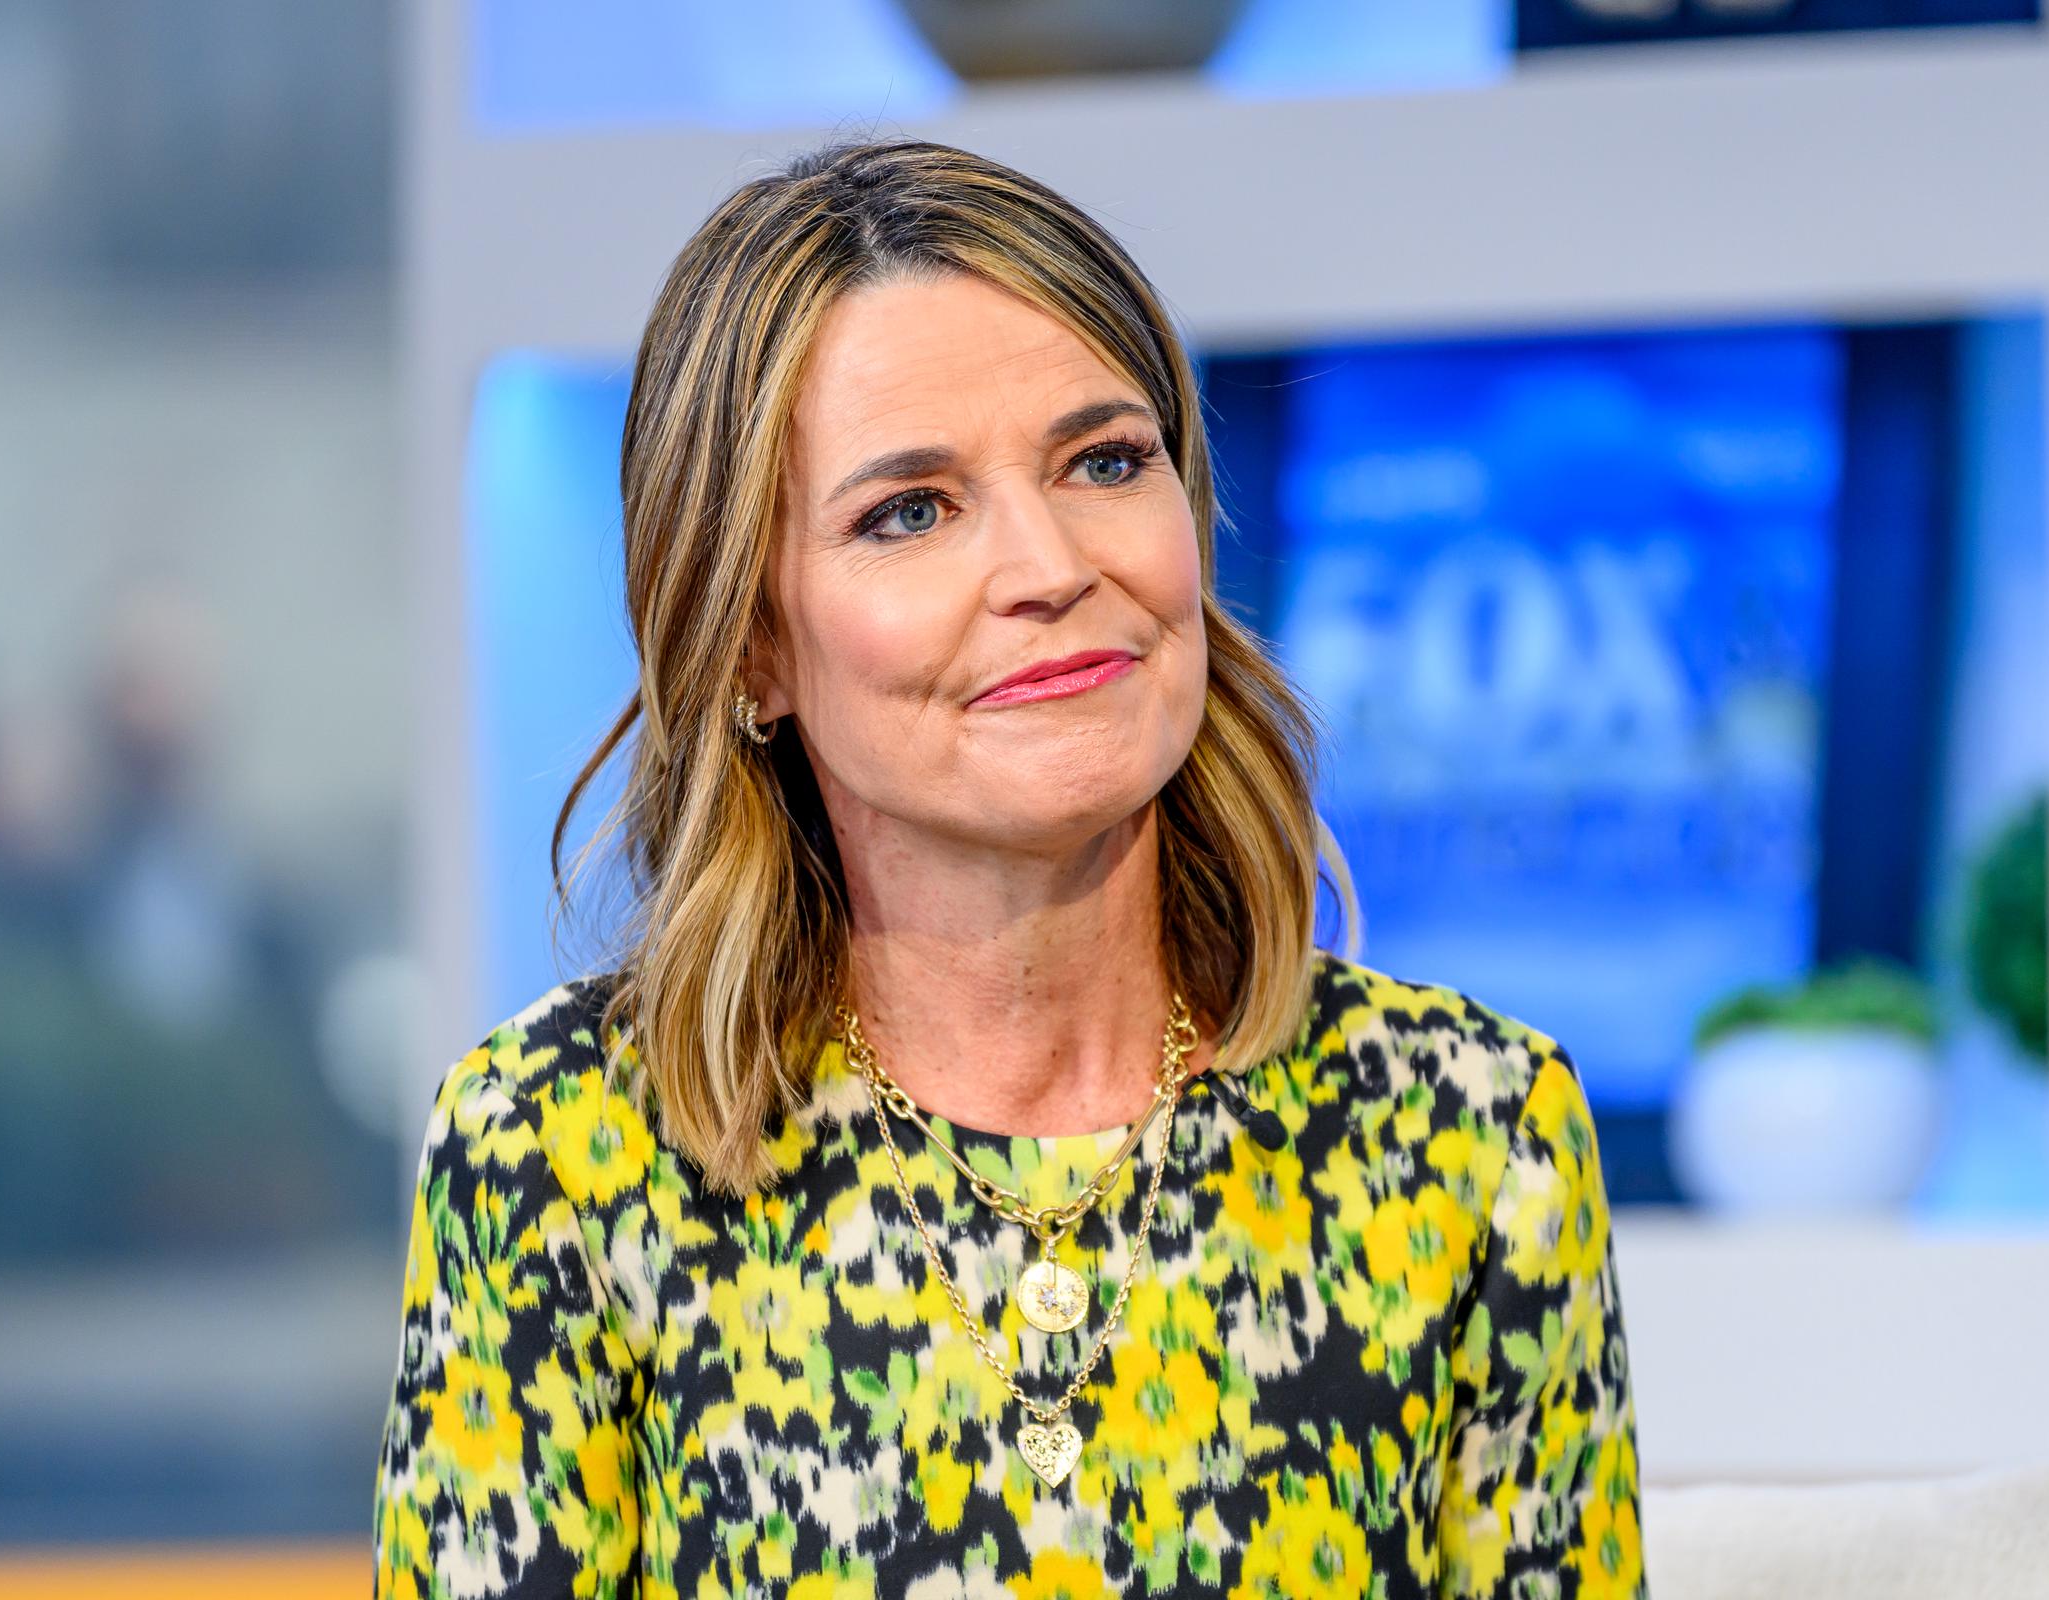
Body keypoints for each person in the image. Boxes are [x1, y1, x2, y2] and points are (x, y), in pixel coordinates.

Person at [372, 134, 1647, 1599]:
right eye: (909, 511)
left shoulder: (1476, 1135)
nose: (1047, 564)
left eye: (1105, 461)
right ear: (751, 648)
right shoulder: (557, 1151)